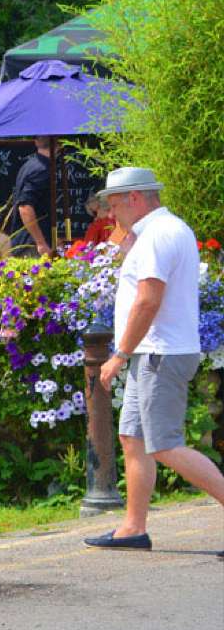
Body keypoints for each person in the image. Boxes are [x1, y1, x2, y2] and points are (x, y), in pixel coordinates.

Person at [85, 168, 224, 550]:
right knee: (134, 437)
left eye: (114, 204)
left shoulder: (157, 237)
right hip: (156, 351)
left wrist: (119, 355)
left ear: (135, 198)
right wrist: (126, 239)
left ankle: (134, 526)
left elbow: (148, 300)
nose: (110, 214)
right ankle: (133, 527)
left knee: (163, 444)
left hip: (158, 353)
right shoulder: (160, 232)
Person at [8, 136, 57, 257]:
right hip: (32, 246)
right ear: (58, 144)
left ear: (36, 142)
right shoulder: (42, 169)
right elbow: (25, 206)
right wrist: (41, 243)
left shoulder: (28, 166)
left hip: (24, 242)